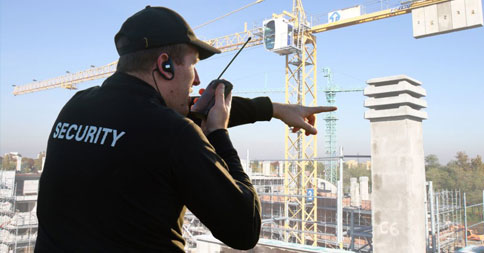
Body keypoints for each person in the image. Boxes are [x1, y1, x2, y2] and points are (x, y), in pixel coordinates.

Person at [35, 6, 336, 252]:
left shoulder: (75, 106)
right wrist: (218, 133)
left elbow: (191, 110)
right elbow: (245, 230)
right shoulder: (173, 133)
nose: (196, 80)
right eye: (193, 65)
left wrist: (275, 109)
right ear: (165, 65)